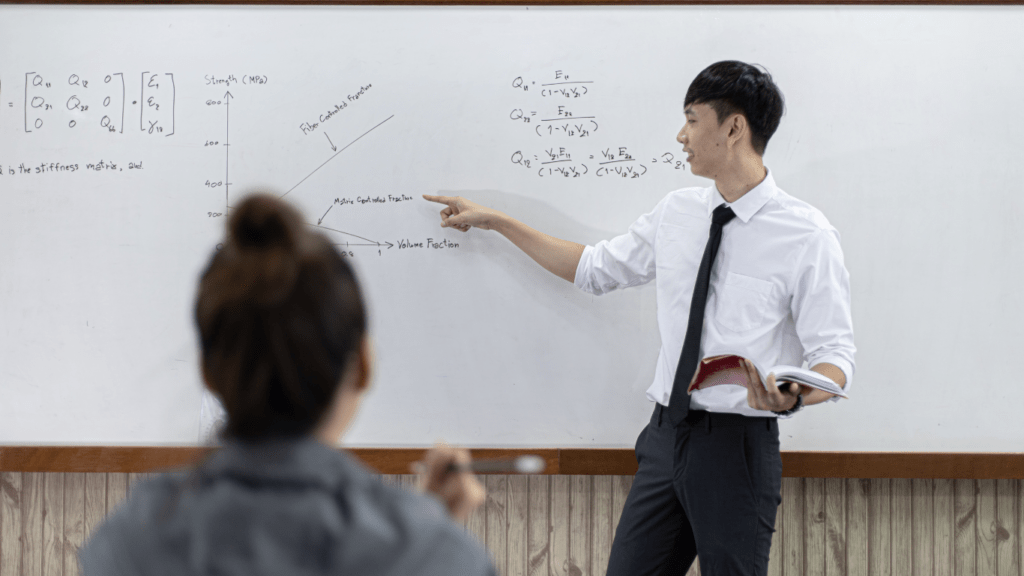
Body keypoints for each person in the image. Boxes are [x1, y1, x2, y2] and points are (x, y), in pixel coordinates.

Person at [424, 60, 855, 576]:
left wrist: (793, 393)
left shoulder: (806, 234)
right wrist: (498, 222)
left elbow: (835, 360)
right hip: (664, 438)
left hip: (736, 447)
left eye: (692, 119)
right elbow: (592, 268)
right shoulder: (677, 212)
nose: (681, 135)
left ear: (734, 127)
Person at [79, 194, 495, 576]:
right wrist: (427, 539)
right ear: (363, 367)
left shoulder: (128, 543)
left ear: (208, 371)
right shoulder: (433, 553)